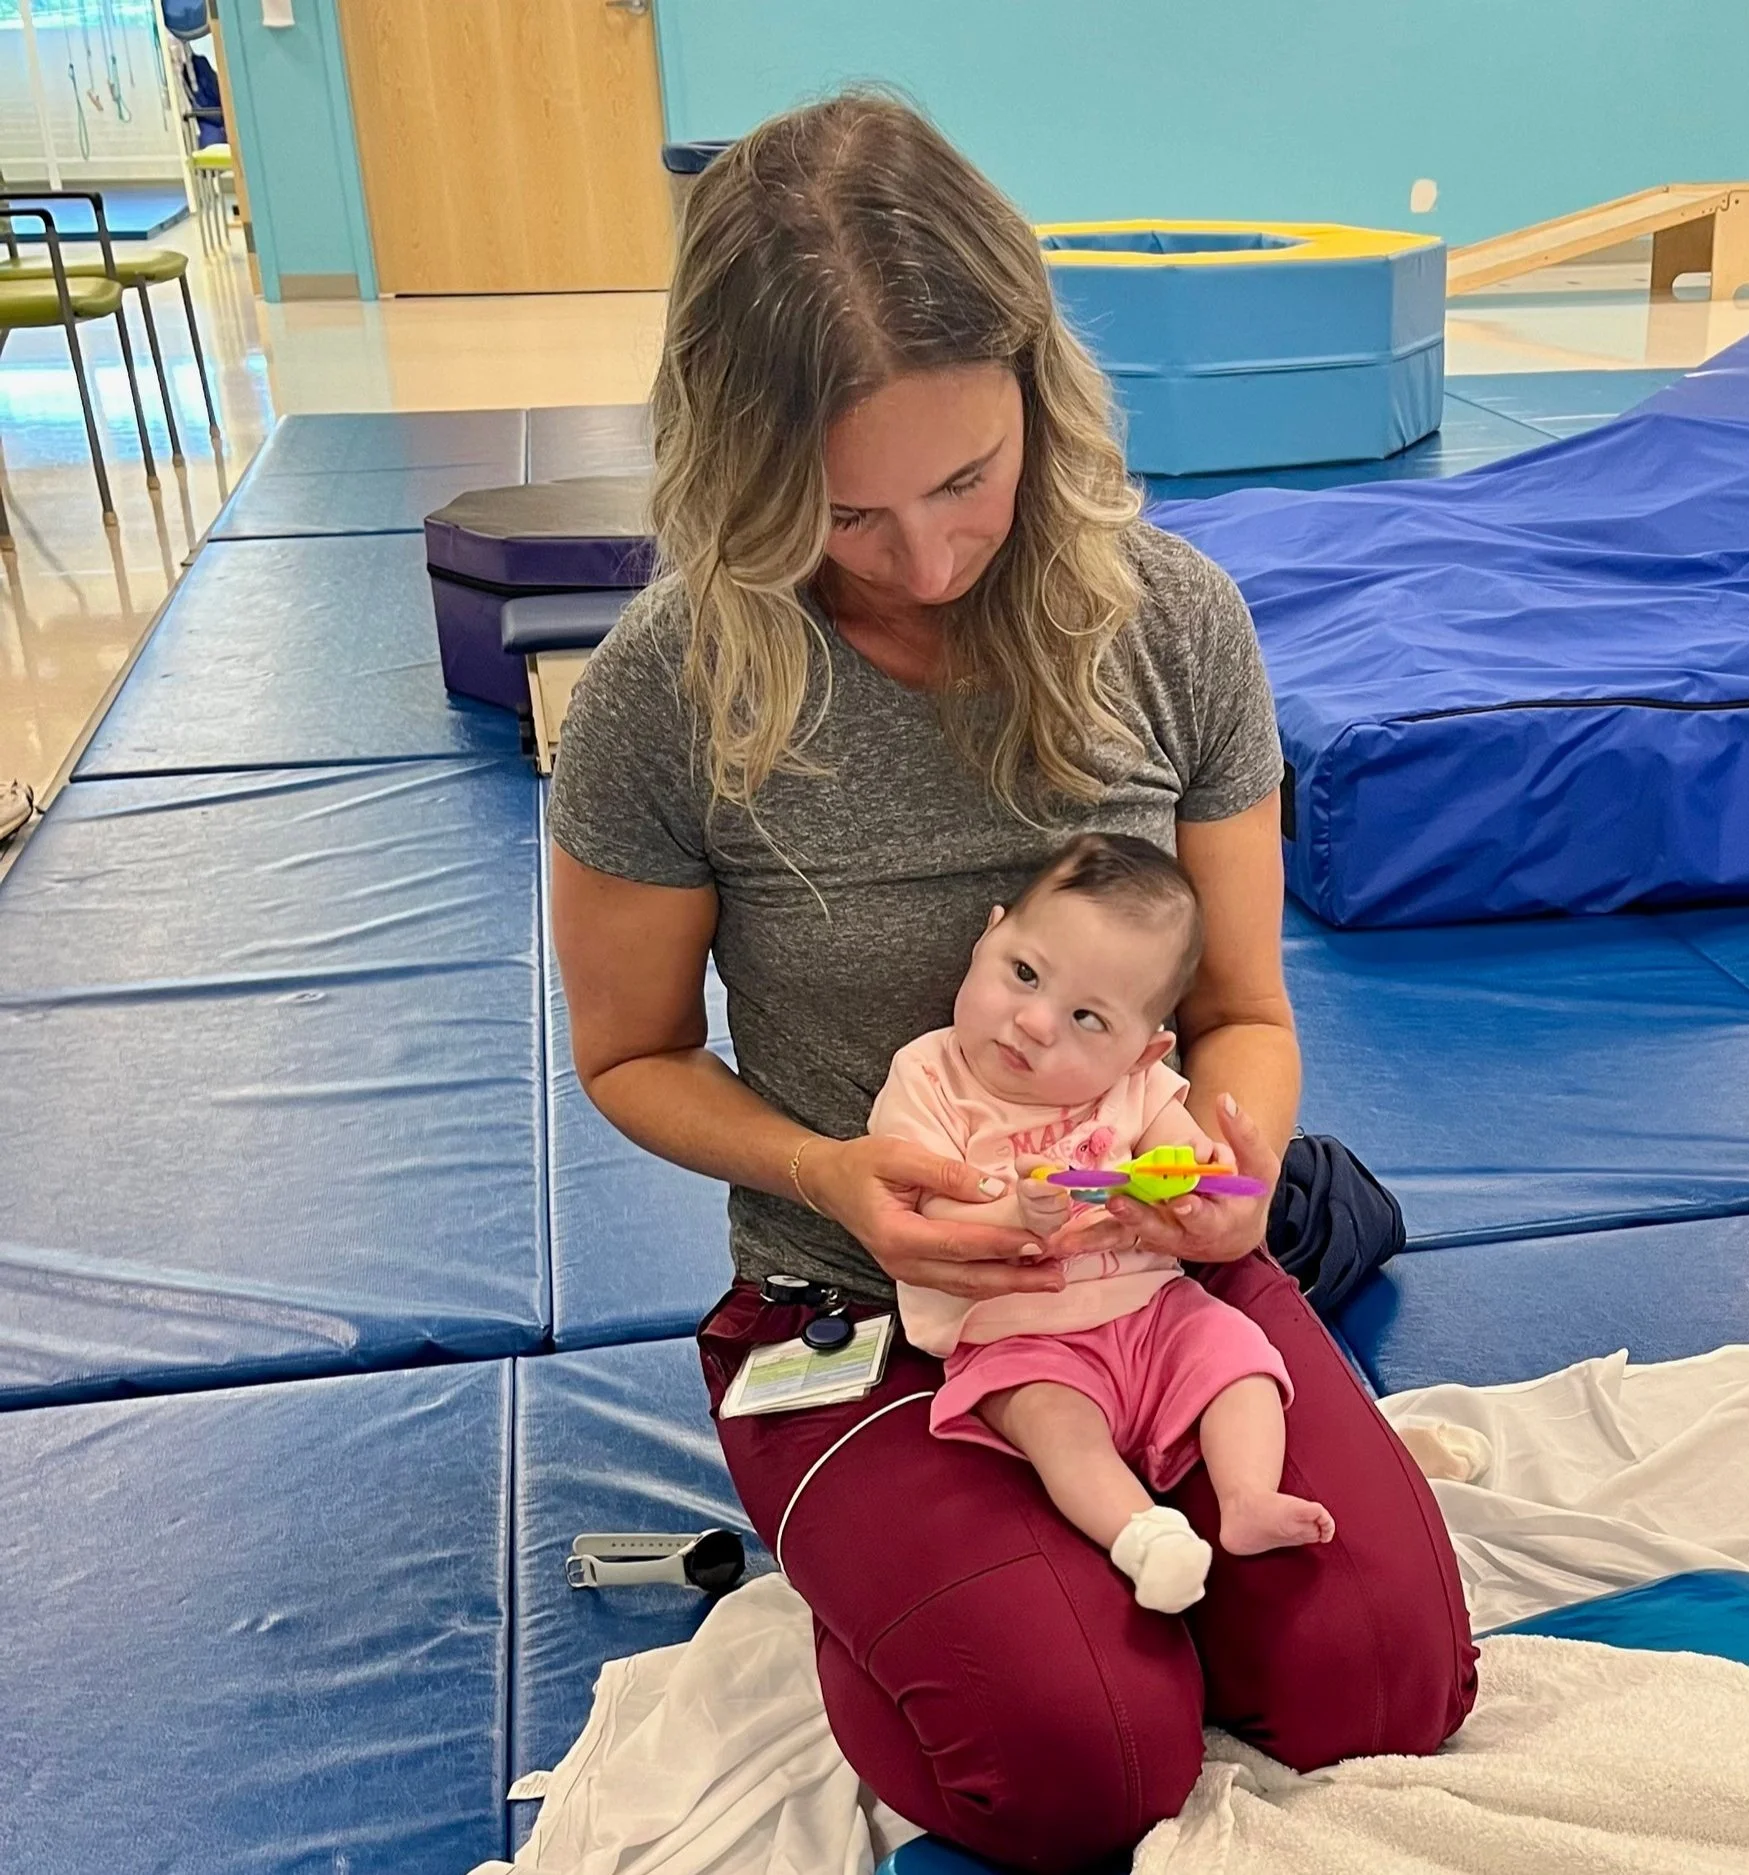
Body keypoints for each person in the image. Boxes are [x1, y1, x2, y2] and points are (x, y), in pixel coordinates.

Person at [546, 89, 1476, 1871]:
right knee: (1075, 1763)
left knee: (1382, 1684)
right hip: (854, 1304)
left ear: (1039, 385)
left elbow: (1244, 1014)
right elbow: (630, 1053)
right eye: (846, 514)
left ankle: (1283, 1267)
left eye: (967, 479)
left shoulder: (1173, 621)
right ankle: (906, 1561)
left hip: (1148, 1276)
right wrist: (834, 1176)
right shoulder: (670, 685)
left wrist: (1232, 1176)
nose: (927, 560)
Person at [875, 833, 1331, 1617]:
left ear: (1142, 1051)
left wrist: (1202, 1181)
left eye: (1087, 1017)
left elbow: (1187, 1159)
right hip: (1019, 1334)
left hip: (1152, 1311)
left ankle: (1248, 1495)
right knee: (1057, 1425)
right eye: (1024, 973)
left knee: (1239, 1357)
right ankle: (1143, 1534)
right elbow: (928, 1212)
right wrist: (1015, 1211)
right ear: (988, 936)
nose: (1035, 1022)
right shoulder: (929, 1077)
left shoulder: (1135, 1088)